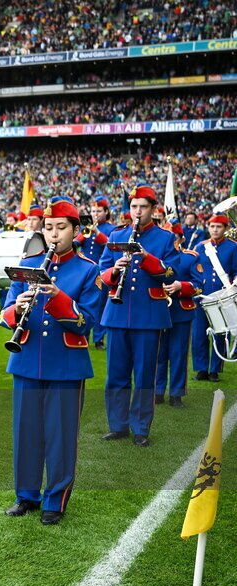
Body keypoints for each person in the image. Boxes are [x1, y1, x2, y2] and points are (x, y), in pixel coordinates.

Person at [0, 197, 102, 525]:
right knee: (26, 433)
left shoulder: (88, 270)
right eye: (48, 227)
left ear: (75, 231)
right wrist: (19, 307)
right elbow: (4, 315)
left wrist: (58, 298)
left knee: (60, 435)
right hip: (26, 360)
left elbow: (86, 322)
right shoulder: (28, 263)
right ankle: (26, 495)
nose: (53, 234)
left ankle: (55, 500)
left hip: (66, 364)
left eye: (60, 228)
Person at [98, 185, 179, 447]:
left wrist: (146, 258)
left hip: (148, 315)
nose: (138, 211)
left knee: (144, 375)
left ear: (153, 210)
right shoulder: (116, 234)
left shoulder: (165, 239)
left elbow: (171, 274)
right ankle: (118, 425)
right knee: (116, 374)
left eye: (143, 207)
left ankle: (141, 427)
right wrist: (114, 269)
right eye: (134, 207)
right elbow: (101, 274)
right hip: (118, 313)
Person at [154, 223, 202, 407]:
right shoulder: (155, 257)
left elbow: (199, 285)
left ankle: (176, 394)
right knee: (158, 354)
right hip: (158, 310)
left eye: (174, 237)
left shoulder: (190, 258)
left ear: (182, 238)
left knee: (178, 354)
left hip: (181, 312)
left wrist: (181, 286)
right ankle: (157, 392)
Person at [192, 213, 237, 382]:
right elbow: (193, 270)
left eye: (218, 227)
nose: (215, 229)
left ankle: (215, 370)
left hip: (222, 296)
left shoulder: (233, 247)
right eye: (212, 226)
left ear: (225, 229)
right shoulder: (199, 247)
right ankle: (201, 369)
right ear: (208, 227)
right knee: (198, 334)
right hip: (201, 296)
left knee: (220, 333)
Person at [83, 196, 114, 350]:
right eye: (93, 211)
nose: (95, 214)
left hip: (101, 272)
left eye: (98, 211)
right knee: (83, 304)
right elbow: (75, 243)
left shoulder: (111, 229)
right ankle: (83, 335)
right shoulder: (85, 228)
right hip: (83, 272)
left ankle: (99, 338)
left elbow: (111, 244)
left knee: (100, 306)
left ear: (106, 212)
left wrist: (96, 232)